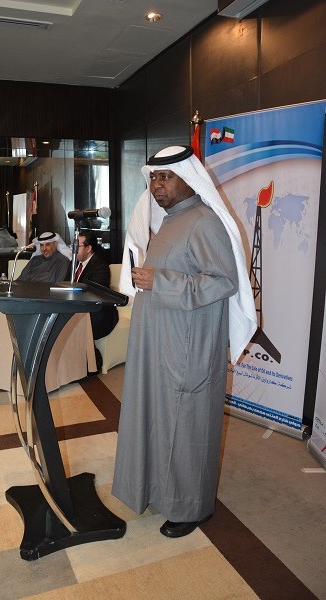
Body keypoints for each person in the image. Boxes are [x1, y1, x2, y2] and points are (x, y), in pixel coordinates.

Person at [112, 145, 257, 538]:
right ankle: (161, 491)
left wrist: (160, 280)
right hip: (161, 343)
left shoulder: (203, 222)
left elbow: (223, 281)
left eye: (166, 177)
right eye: (154, 178)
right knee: (161, 421)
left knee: (187, 425)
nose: (157, 186)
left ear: (188, 178)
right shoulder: (172, 221)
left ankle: (193, 507)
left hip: (187, 348)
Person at [68, 230, 119, 341]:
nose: (73, 250)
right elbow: (66, 285)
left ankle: (90, 352)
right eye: (73, 246)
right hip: (75, 309)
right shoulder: (73, 263)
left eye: (77, 246)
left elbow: (93, 294)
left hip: (95, 313)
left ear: (88, 248)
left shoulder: (100, 267)